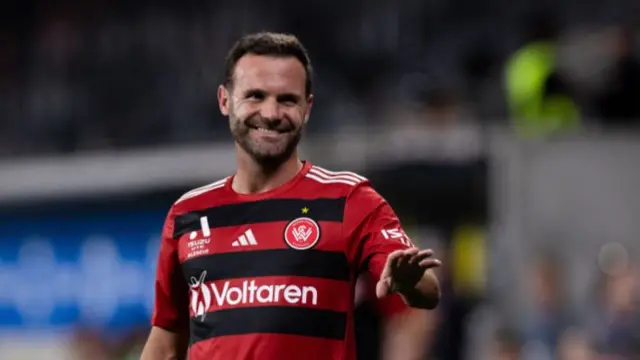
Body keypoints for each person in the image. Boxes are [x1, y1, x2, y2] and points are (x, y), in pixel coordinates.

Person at [140, 32, 442, 360]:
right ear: (225, 101)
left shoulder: (348, 200)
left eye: (287, 100)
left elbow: (426, 291)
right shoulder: (188, 214)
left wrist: (411, 282)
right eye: (255, 96)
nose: (271, 113)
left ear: (307, 107)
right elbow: (166, 337)